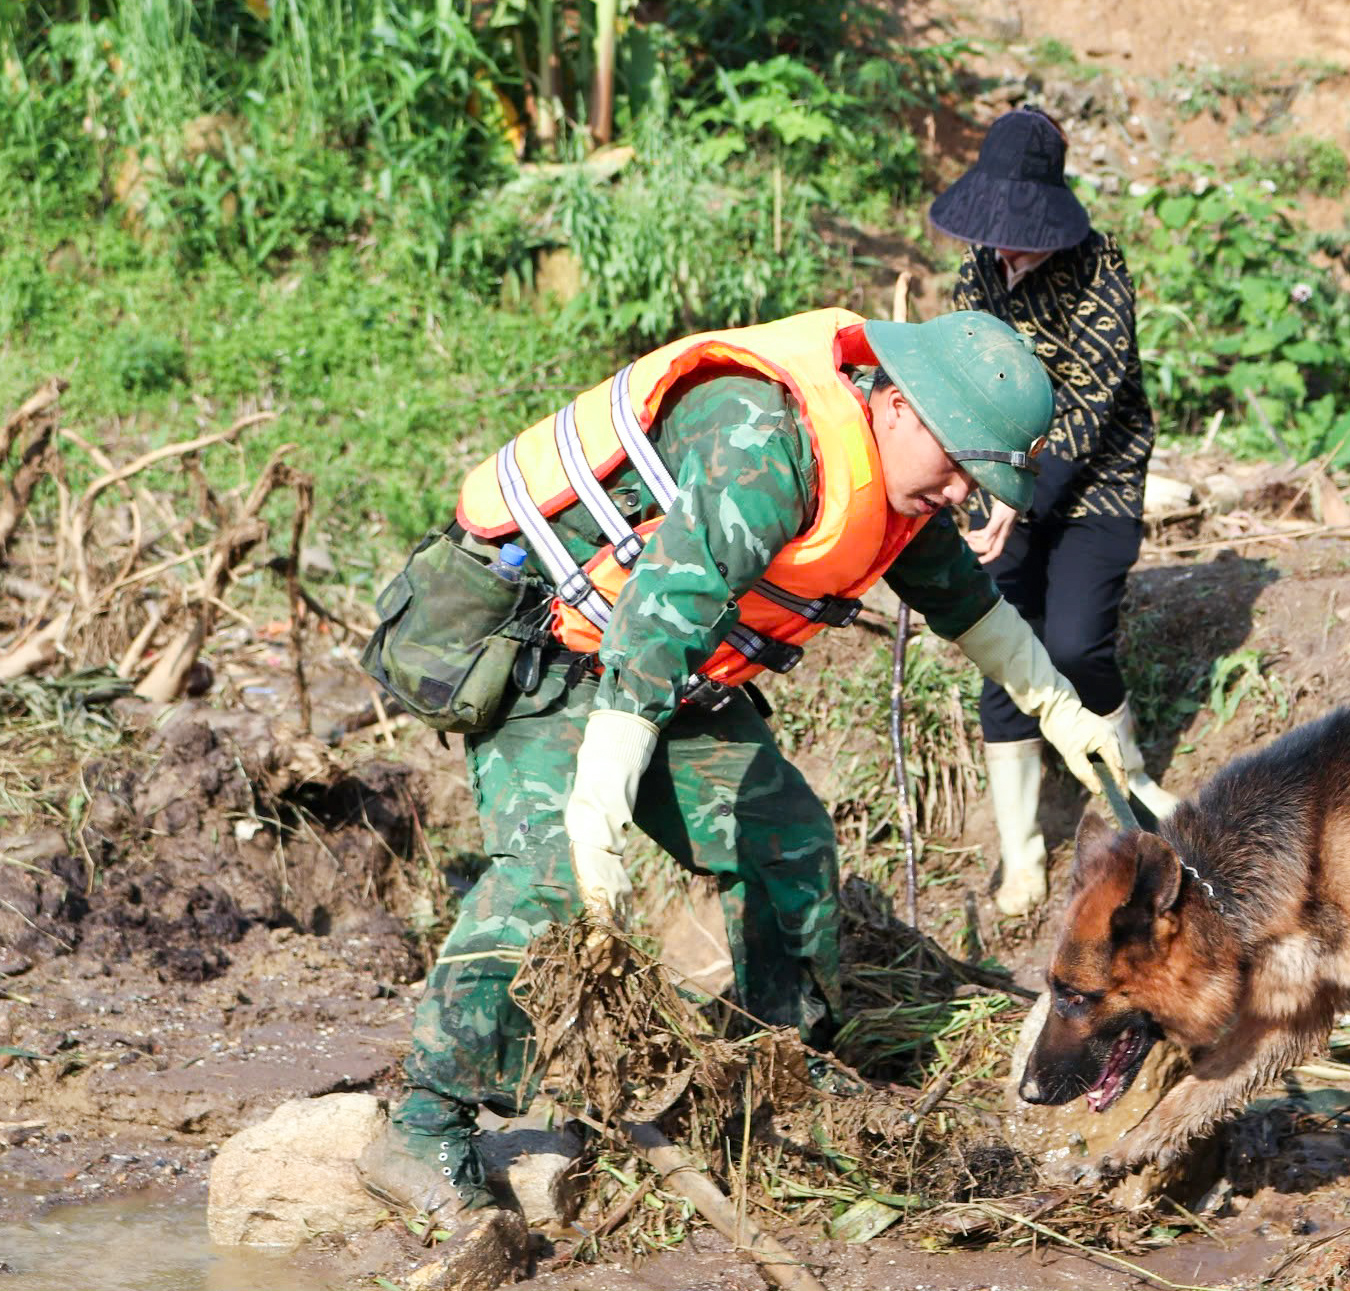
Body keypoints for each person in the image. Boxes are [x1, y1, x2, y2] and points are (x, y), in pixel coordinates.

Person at [354, 306, 1141, 1222]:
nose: (965, 492)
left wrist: (1058, 707)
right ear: (900, 407)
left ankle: (776, 1065)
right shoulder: (764, 447)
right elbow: (654, 621)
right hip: (556, 659)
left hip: (666, 680)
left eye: (981, 478)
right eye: (962, 466)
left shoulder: (897, 477)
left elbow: (962, 600)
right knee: (547, 879)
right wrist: (600, 800)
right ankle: (421, 1124)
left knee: (787, 841)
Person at [928, 107, 1178, 917]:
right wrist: (981, 490)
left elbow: (1091, 405)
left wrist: (1018, 499)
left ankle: (1132, 785)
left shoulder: (1103, 266)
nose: (1007, 248)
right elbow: (967, 384)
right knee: (1006, 645)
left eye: (1022, 232)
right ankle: (1021, 852)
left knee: (1073, 642)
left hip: (1093, 480)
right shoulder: (979, 272)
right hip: (1003, 482)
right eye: (997, 232)